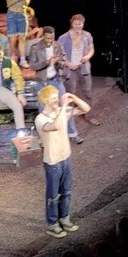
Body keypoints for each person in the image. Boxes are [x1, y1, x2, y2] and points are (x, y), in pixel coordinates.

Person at [35, 85, 91, 238]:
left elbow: (86, 108)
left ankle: (64, 219)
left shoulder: (62, 112)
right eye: (53, 98)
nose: (56, 100)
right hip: (53, 161)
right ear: (45, 100)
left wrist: (73, 97)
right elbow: (57, 125)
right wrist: (64, 107)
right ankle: (52, 224)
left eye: (57, 97)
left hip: (65, 157)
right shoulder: (40, 119)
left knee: (66, 192)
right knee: (53, 195)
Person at [29, 26, 83, 144]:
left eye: (52, 38)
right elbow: (33, 66)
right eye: (47, 38)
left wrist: (59, 62)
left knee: (65, 105)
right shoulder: (35, 48)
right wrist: (47, 62)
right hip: (42, 82)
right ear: (43, 36)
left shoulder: (58, 46)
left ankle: (72, 133)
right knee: (43, 109)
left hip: (56, 80)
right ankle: (45, 138)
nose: (50, 40)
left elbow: (63, 61)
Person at [58, 14, 100, 126]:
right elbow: (58, 56)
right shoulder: (63, 38)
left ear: (83, 24)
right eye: (76, 24)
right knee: (70, 95)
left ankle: (89, 115)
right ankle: (68, 119)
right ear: (71, 24)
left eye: (80, 24)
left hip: (84, 68)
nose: (78, 26)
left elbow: (91, 49)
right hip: (70, 70)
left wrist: (87, 57)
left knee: (88, 93)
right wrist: (68, 63)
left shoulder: (87, 35)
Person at [6, 0, 31, 69]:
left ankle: (23, 60)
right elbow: (8, 4)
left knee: (22, 38)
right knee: (13, 39)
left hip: (22, 14)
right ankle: (12, 59)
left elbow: (26, 4)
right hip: (12, 15)